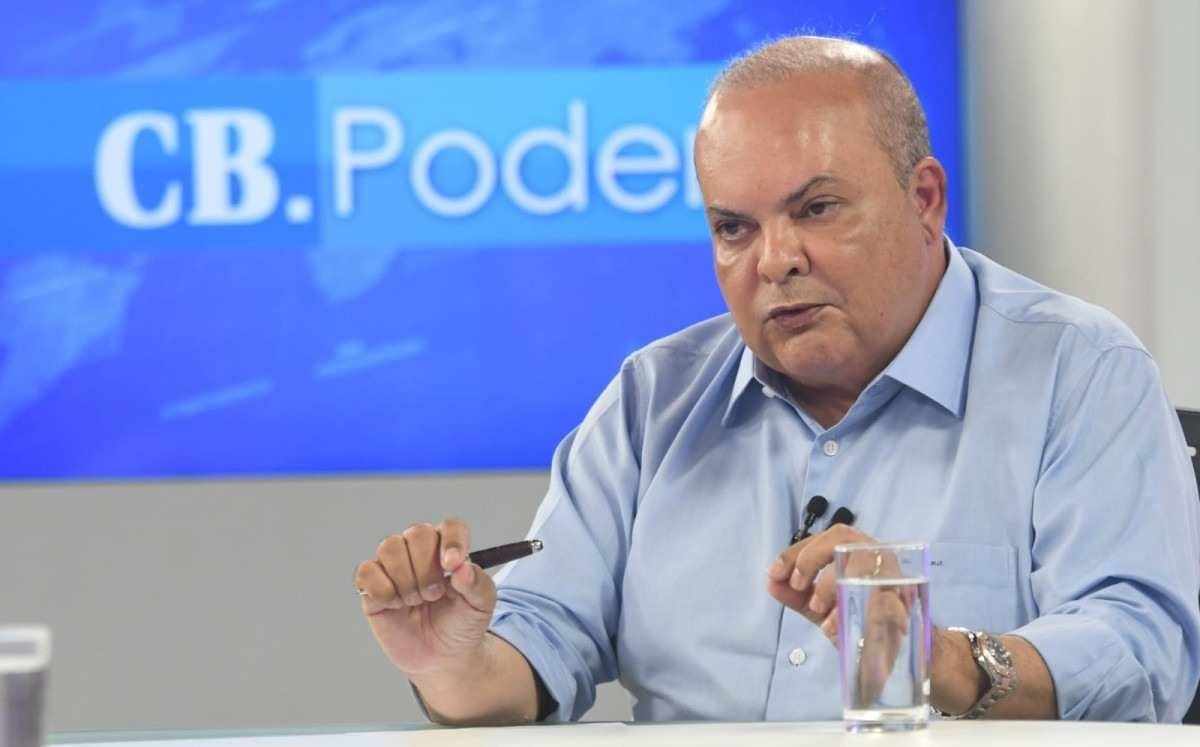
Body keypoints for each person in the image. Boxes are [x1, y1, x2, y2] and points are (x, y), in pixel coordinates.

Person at [353, 36, 1200, 724]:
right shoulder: (654, 400)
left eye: (816, 209)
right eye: (734, 228)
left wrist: (941, 657)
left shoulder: (1078, 372)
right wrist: (454, 663)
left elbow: (1142, 650)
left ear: (925, 199)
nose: (776, 260)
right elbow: (542, 637)